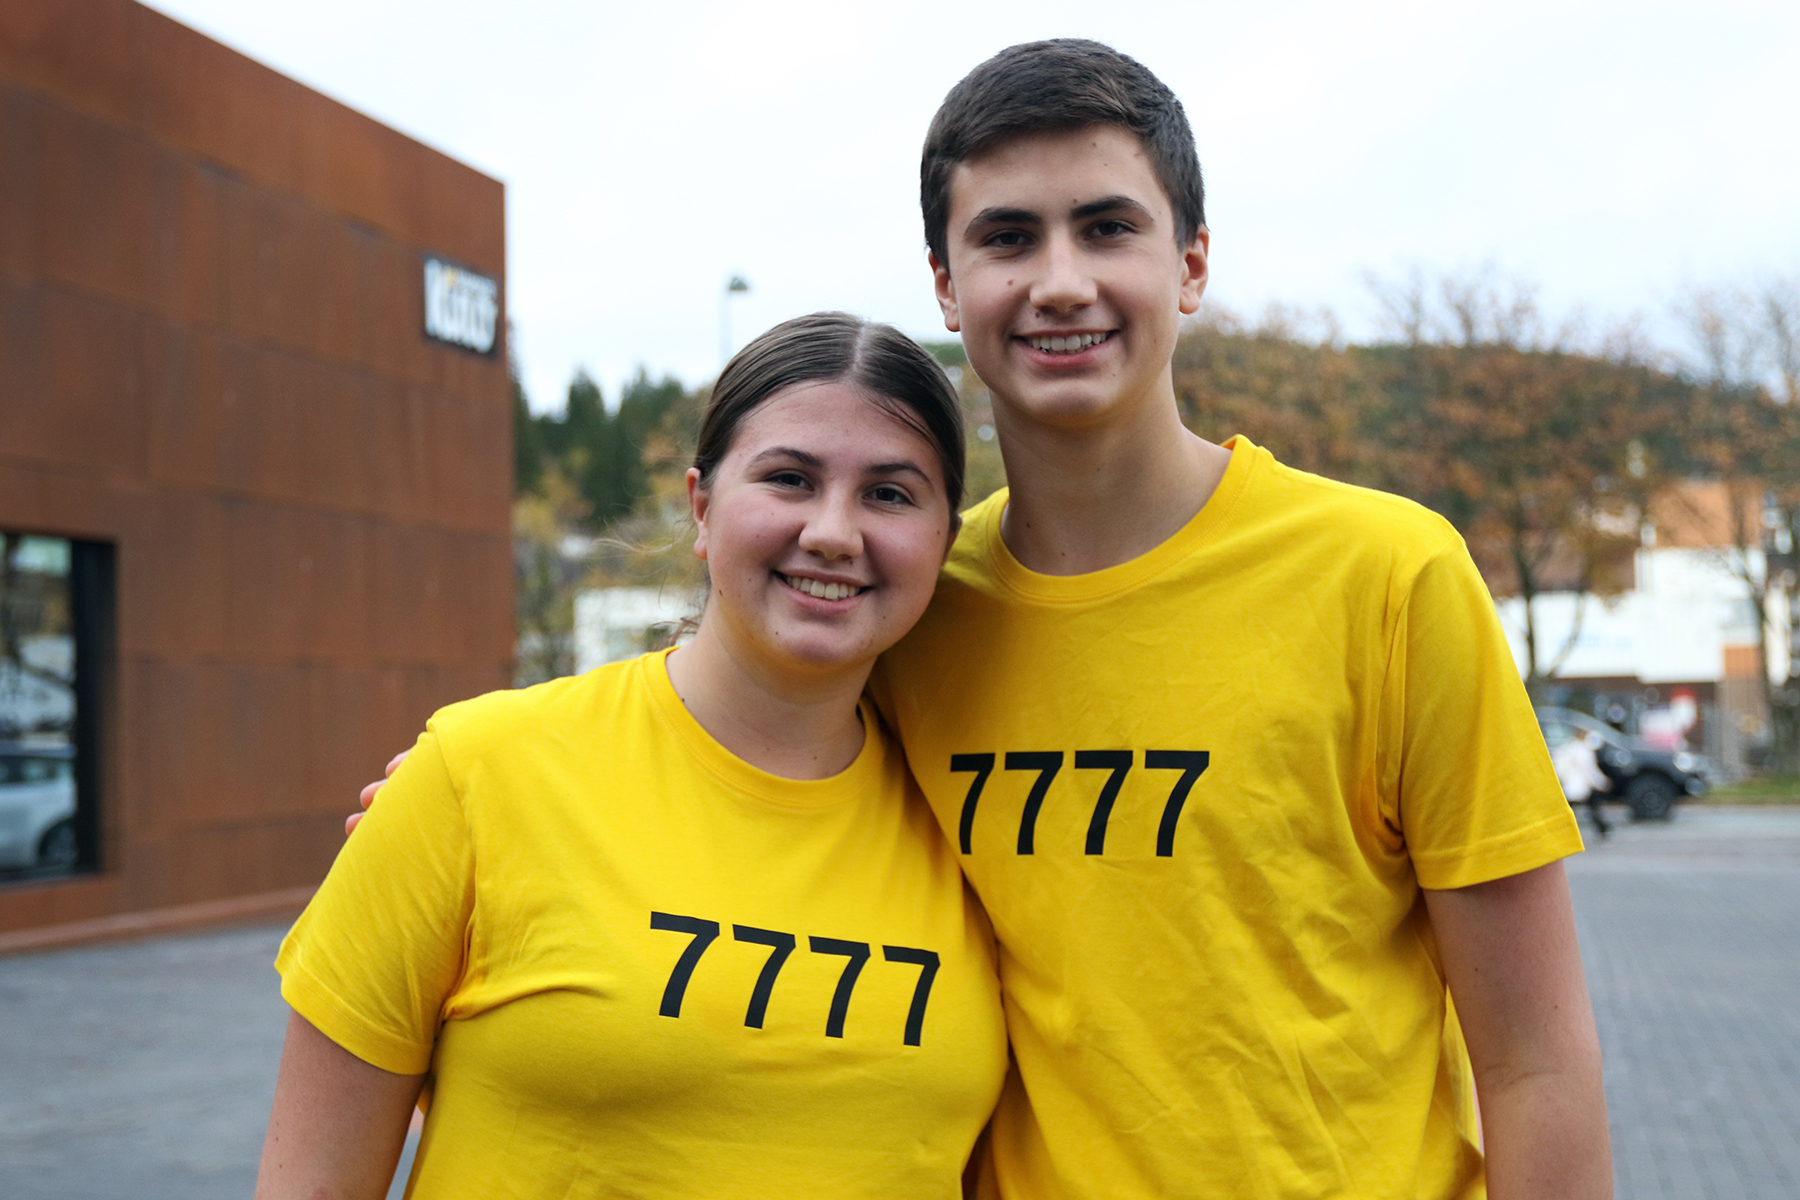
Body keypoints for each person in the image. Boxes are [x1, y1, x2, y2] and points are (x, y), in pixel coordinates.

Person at [359, 40, 1612, 1200]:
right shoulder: (908, 604)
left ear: (1191, 262)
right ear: (950, 287)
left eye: (1108, 227)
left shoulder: (1386, 574)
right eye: (1009, 237)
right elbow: (710, 738)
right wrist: (464, 791)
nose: (1060, 281)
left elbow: (1538, 1066)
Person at [259, 313, 1008, 1199]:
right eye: (790, 479)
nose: (834, 533)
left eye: (890, 494)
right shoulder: (480, 771)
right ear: (701, 506)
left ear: (944, 540)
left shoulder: (978, 828)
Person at [1556, 729, 1614, 838]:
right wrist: (1602, 782)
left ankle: (1562, 830)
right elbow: (1589, 770)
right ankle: (1603, 829)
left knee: (1575, 809)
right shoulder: (1584, 751)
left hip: (1570, 784)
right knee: (1592, 808)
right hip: (1582, 785)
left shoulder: (1569, 748)